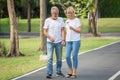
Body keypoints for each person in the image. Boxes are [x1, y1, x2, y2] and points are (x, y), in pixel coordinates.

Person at [43, 6, 65, 79]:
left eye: (57, 13)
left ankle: (58, 72)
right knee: (49, 58)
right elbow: (45, 31)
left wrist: (63, 40)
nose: (56, 15)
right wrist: (50, 37)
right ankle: (49, 73)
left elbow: (62, 30)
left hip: (59, 42)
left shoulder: (61, 19)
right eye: (54, 13)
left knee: (59, 58)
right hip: (50, 42)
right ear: (51, 13)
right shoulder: (47, 20)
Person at [65, 6, 81, 78]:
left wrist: (73, 28)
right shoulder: (66, 21)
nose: (69, 15)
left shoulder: (77, 20)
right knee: (67, 56)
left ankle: (74, 72)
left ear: (73, 13)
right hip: (68, 41)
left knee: (74, 56)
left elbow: (79, 31)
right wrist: (64, 40)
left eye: (71, 13)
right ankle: (70, 70)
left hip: (76, 41)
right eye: (68, 13)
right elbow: (66, 32)